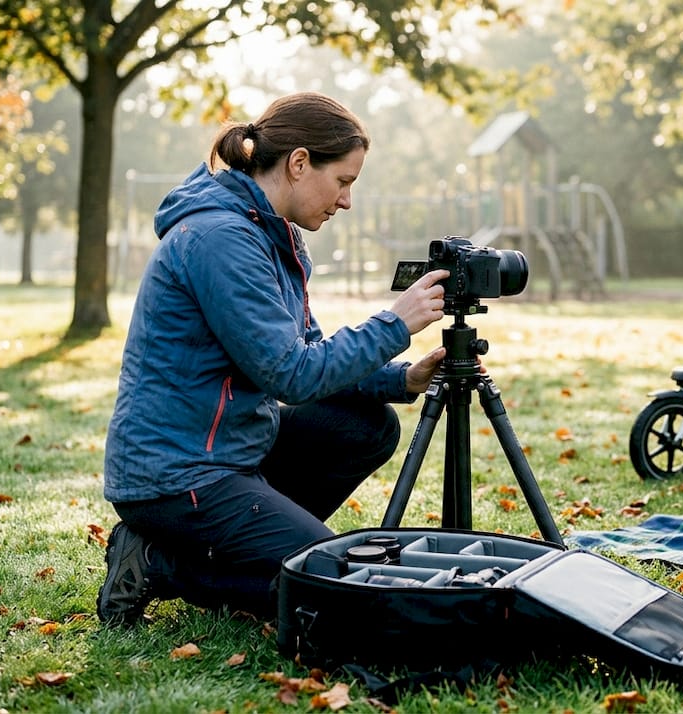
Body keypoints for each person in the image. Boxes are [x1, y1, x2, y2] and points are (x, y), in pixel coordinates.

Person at [96, 91, 450, 624]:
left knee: (366, 425)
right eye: (344, 181)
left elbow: (306, 349)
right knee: (331, 588)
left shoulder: (273, 233)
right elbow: (290, 374)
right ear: (300, 163)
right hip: (177, 473)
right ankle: (156, 561)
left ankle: (247, 545)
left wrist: (401, 378)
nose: (347, 200)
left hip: (231, 452)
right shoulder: (222, 238)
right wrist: (394, 324)